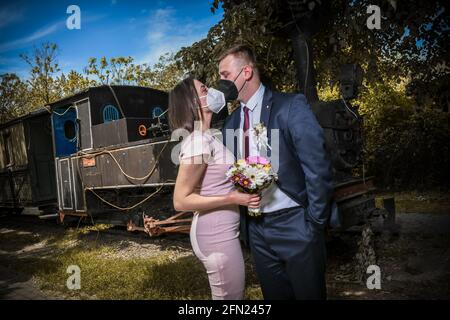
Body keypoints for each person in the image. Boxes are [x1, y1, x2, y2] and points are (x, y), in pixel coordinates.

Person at [219, 44, 335, 300]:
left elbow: (317, 165)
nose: (221, 82)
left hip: (297, 224)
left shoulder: (291, 106)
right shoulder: (231, 123)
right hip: (257, 230)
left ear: (246, 72)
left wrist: (314, 222)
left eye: (225, 74)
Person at [168, 76, 261, 300]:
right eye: (204, 88)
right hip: (215, 236)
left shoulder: (208, 137)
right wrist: (232, 198)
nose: (211, 91)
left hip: (221, 232)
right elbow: (180, 201)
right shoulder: (198, 141)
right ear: (192, 100)